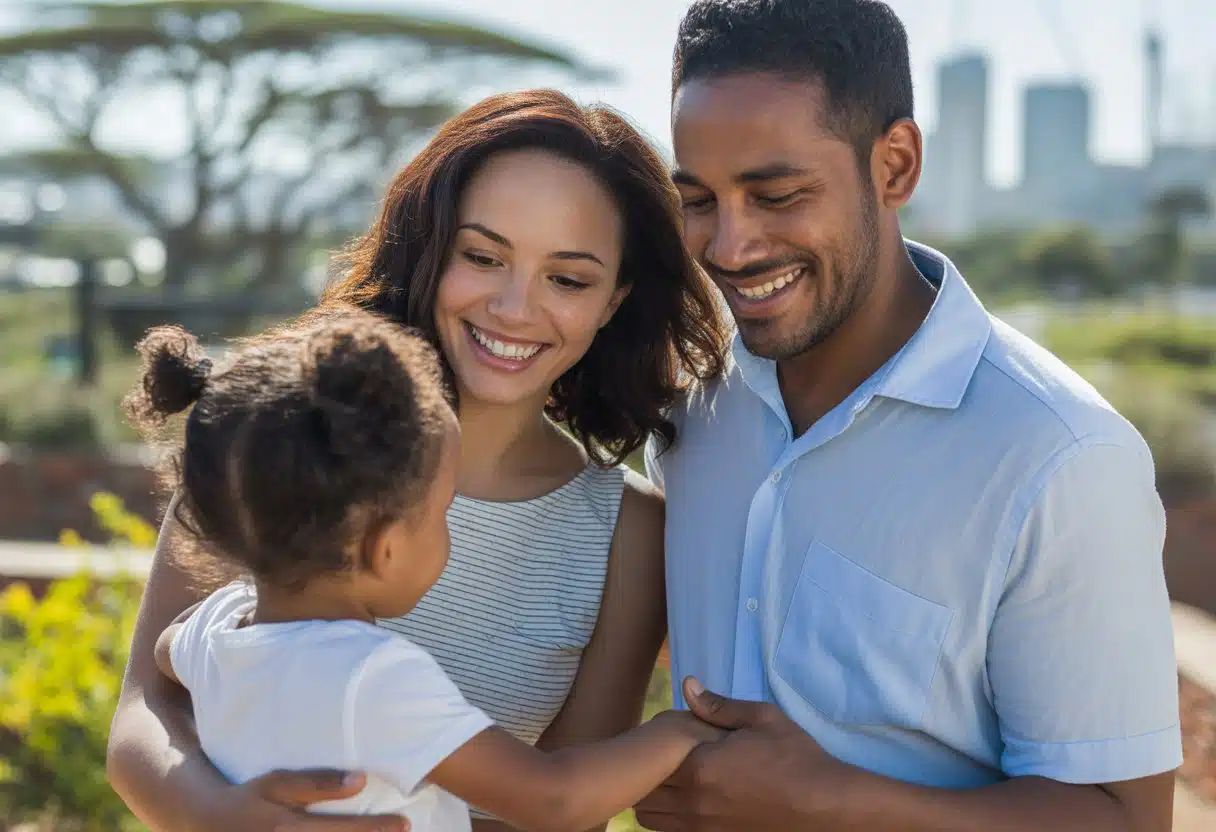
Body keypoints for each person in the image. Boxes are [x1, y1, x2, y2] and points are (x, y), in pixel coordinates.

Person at [105, 89, 730, 832]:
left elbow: (560, 812)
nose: (513, 306)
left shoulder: (626, 534)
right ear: (429, 249)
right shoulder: (281, 426)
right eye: (482, 256)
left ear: (615, 298)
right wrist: (227, 818)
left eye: (567, 278)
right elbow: (145, 707)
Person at [633, 1, 1183, 830]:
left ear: (894, 166)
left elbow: (1129, 818)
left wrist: (825, 802)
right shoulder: (690, 411)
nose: (729, 247)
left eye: (777, 195)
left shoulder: (1064, 458)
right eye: (699, 199)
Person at [122, 310, 721, 832]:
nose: (451, 535)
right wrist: (676, 734)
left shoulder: (220, 625)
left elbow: (166, 653)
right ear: (385, 550)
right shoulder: (373, 677)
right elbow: (552, 800)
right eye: (440, 516)